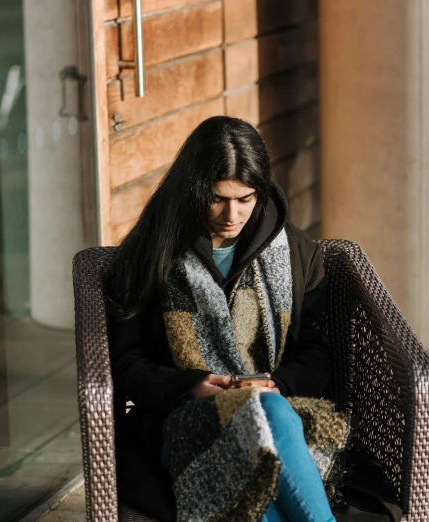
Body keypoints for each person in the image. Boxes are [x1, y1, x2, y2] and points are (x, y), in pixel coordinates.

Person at [105, 117, 399, 522]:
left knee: (265, 414)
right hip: (184, 421)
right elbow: (124, 363)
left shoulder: (296, 251)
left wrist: (277, 383)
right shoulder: (150, 252)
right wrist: (192, 386)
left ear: (260, 191)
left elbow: (318, 353)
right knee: (259, 436)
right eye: (217, 198)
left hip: (282, 410)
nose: (232, 214)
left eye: (245, 199)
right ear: (193, 190)